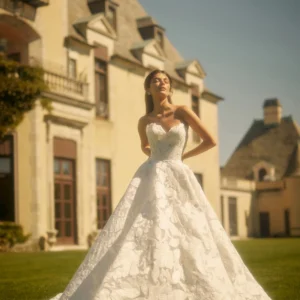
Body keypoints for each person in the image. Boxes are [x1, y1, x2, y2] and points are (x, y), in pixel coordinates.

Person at [50, 70, 272, 300]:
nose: (162, 84)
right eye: (156, 81)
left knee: (191, 228)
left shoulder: (183, 111)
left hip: (178, 174)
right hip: (151, 175)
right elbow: (144, 146)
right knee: (146, 228)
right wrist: (155, 155)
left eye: (166, 81)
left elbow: (210, 141)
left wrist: (182, 156)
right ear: (148, 88)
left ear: (170, 88)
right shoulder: (144, 121)